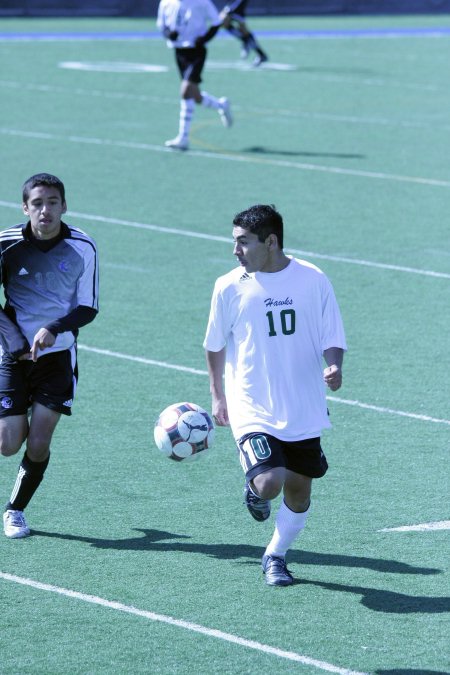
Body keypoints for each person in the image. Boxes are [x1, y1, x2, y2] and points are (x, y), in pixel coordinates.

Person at [203, 204, 346, 586]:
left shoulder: (312, 280)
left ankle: (275, 555)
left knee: (299, 493)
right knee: (270, 482)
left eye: (243, 243)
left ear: (271, 242)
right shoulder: (228, 286)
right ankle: (254, 485)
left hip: (303, 405)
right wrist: (218, 396)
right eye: (234, 242)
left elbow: (333, 333)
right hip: (251, 402)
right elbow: (215, 344)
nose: (235, 251)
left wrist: (334, 365)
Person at [0, 173, 99, 538]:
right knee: (8, 444)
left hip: (57, 359)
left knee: (39, 443)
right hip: (13, 356)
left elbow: (88, 308)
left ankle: (15, 510)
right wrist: (14, 342)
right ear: (25, 207)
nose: (46, 210)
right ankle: (17, 408)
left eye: (53, 202)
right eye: (38, 203)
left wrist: (54, 327)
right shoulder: (6, 244)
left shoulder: (82, 247)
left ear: (64, 206)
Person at [157, 0, 233, 151]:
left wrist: (204, 39)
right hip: (179, 52)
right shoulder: (166, 2)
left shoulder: (201, 2)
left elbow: (217, 21)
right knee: (195, 96)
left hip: (197, 51)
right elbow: (161, 23)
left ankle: (183, 138)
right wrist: (168, 34)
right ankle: (221, 105)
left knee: (185, 90)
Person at [220, 1, 268, 67]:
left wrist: (232, 8)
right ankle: (248, 44)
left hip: (236, 6)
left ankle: (260, 54)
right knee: (223, 22)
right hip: (231, 5)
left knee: (242, 29)